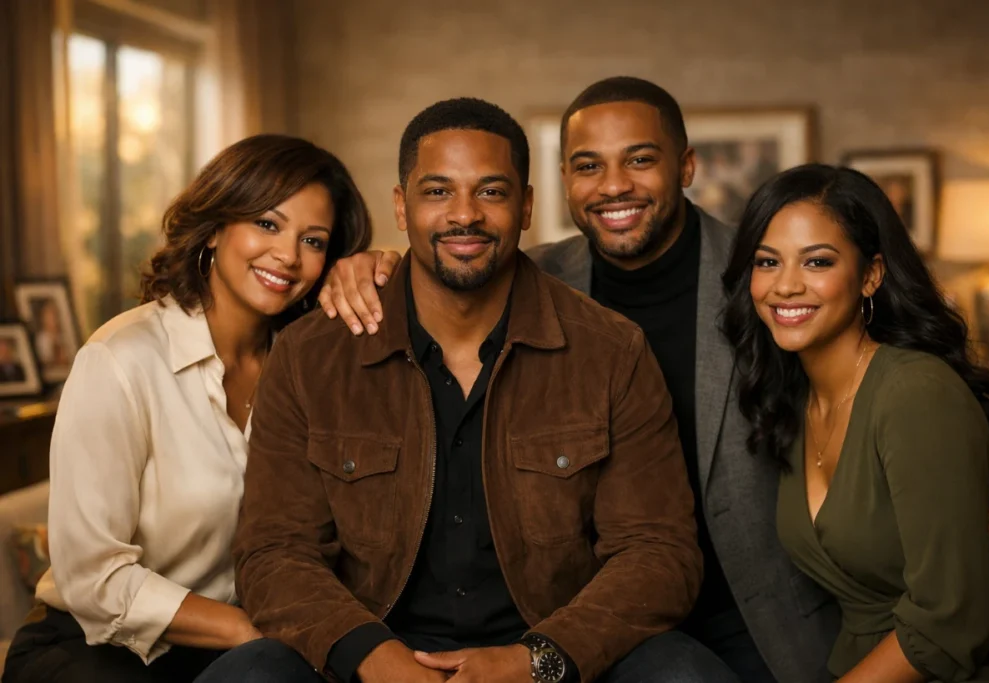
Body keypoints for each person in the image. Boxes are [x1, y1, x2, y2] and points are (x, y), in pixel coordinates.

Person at [317, 77, 989, 683]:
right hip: (594, 611)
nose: (614, 185)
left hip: (757, 610)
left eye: (641, 160)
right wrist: (373, 264)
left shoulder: (762, 276)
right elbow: (444, 269)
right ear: (559, 185)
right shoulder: (536, 281)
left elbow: (908, 374)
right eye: (588, 165)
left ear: (686, 165)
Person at [196, 97, 736, 683]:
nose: (464, 215)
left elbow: (658, 553)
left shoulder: (611, 350)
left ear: (526, 206)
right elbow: (275, 552)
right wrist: (370, 656)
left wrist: (536, 661)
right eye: (437, 192)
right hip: (370, 654)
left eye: (491, 192)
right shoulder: (312, 354)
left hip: (554, 658)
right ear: (401, 207)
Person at [1, 134, 372, 683]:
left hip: (244, 653)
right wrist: (255, 630)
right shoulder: (120, 360)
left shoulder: (307, 369)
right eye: (267, 224)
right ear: (218, 226)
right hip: (95, 652)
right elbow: (91, 579)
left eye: (313, 240)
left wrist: (377, 267)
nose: (289, 256)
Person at [721, 163, 989, 682]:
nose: (786, 286)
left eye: (817, 261)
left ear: (871, 275)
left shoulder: (914, 393)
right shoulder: (791, 402)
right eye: (768, 262)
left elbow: (951, 622)